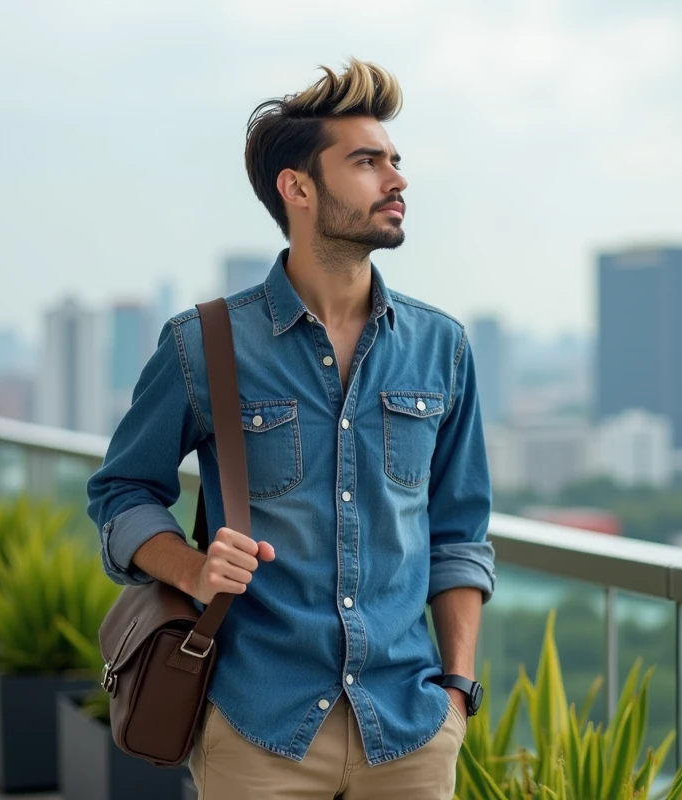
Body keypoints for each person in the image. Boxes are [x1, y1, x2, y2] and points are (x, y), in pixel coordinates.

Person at [86, 58, 496, 799]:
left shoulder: (443, 349)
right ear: (298, 187)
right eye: (367, 162)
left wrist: (457, 691)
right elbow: (121, 492)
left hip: (408, 728)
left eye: (395, 161)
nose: (397, 180)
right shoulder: (203, 345)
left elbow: (459, 536)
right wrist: (189, 567)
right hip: (255, 727)